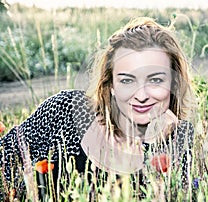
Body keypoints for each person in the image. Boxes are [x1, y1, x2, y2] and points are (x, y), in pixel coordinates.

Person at [0, 17, 196, 200]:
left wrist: (154, 145)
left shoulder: (177, 136)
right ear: (110, 85)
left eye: (155, 80)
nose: (142, 95)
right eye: (127, 80)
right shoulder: (65, 111)